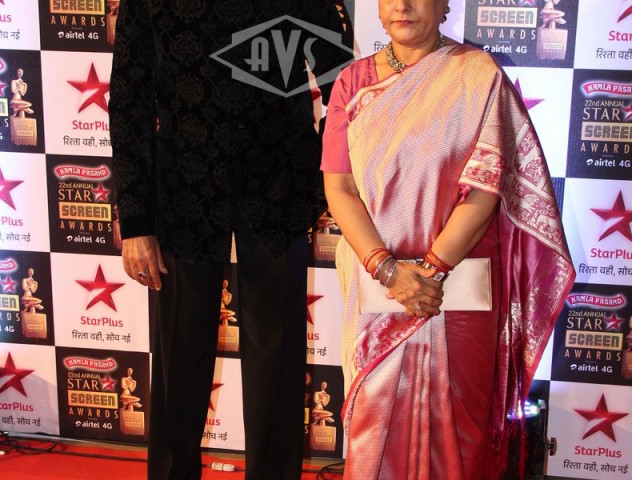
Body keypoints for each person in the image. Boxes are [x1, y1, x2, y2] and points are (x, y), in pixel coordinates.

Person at [321, 1, 576, 479]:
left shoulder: (478, 76)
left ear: (445, 6)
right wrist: (389, 271)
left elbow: (485, 190)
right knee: (374, 424)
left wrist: (430, 272)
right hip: (378, 287)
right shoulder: (353, 83)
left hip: (457, 290)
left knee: (459, 428)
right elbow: (340, 189)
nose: (402, 6)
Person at [108, 2, 352, 479]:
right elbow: (128, 99)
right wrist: (136, 221)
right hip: (183, 191)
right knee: (178, 363)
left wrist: (320, 172)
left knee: (276, 364)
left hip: (279, 186)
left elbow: (342, 81)